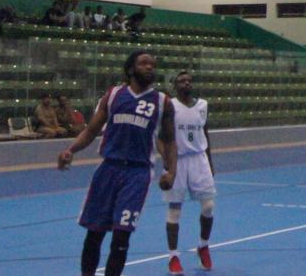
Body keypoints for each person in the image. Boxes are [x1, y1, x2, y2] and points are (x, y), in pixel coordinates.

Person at [57, 51, 177, 276]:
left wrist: (171, 170)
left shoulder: (163, 102)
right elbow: (92, 130)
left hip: (137, 173)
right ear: (131, 68)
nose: (150, 67)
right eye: (144, 63)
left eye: (153, 64)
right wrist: (70, 149)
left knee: (122, 235)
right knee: (95, 233)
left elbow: (169, 141)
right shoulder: (113, 95)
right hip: (108, 169)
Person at [158, 71, 216, 274]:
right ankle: (173, 256)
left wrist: (210, 161)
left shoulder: (203, 106)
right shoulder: (170, 106)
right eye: (182, 81)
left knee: (208, 205)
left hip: (199, 159)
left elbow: (205, 134)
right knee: (175, 210)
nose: (186, 83)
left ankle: (203, 245)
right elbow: (160, 137)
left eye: (189, 80)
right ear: (175, 85)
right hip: (177, 161)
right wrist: (167, 163)